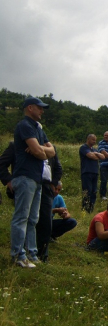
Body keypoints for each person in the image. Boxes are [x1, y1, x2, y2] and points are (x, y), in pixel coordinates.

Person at [10, 97, 55, 268]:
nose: (42, 111)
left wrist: (40, 149)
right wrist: (42, 151)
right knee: (22, 217)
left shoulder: (38, 129)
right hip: (25, 176)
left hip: (36, 179)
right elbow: (41, 152)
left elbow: (51, 151)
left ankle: (31, 253)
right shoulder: (25, 126)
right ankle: (18, 255)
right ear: (30, 108)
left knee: (33, 218)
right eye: (40, 108)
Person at [36, 148, 63, 262]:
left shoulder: (50, 148)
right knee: (26, 218)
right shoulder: (18, 144)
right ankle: (22, 251)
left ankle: (42, 254)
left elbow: (58, 168)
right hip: (26, 184)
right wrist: (9, 181)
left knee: (46, 221)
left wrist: (53, 184)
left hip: (46, 187)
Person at [80, 134, 105, 213]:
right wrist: (97, 155)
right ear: (88, 139)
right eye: (93, 140)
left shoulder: (94, 149)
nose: (94, 141)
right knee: (87, 190)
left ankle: (91, 207)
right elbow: (91, 156)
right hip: (87, 172)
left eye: (95, 140)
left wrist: (96, 154)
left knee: (94, 191)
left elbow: (103, 157)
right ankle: (85, 207)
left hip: (95, 172)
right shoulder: (83, 147)